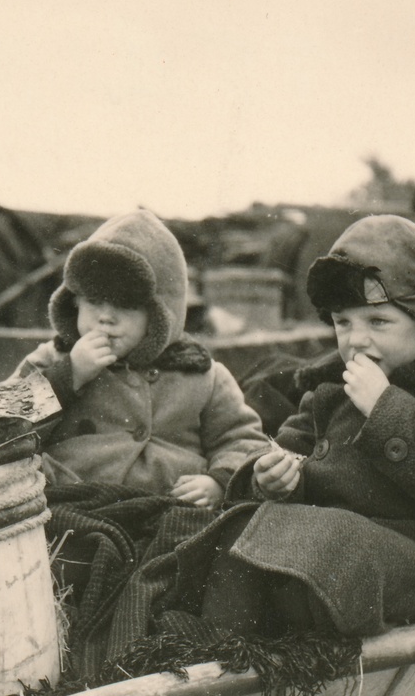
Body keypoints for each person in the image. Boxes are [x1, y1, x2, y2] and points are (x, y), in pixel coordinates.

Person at [199, 214, 415, 639]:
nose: (356, 340)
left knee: (339, 543)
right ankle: (220, 648)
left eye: (379, 323)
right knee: (238, 529)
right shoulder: (333, 384)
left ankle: (279, 637)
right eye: (343, 323)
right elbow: (292, 444)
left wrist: (385, 407)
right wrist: (275, 477)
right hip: (341, 545)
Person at [14, 208, 269, 508]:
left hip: (170, 503)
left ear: (160, 316)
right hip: (75, 498)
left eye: (126, 305)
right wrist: (68, 375)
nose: (105, 318)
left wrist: (220, 480)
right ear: (74, 302)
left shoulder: (201, 374)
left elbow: (241, 438)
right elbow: (7, 423)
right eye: (94, 301)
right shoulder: (53, 359)